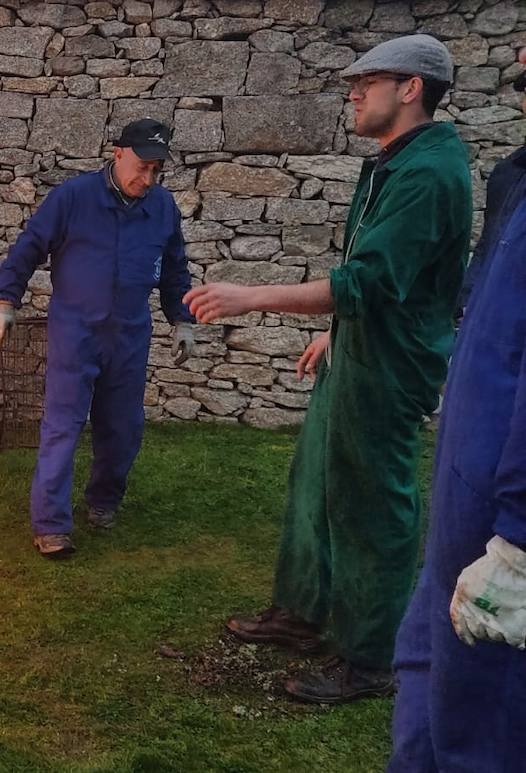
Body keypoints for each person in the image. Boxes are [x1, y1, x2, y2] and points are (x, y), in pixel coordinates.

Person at [183, 34, 471, 703]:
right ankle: (303, 612)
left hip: (391, 370)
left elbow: (367, 281)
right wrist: (335, 334)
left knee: (374, 506)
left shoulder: (428, 175)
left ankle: (371, 657)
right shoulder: (396, 162)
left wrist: (248, 296)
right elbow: (383, 281)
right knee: (314, 482)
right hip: (359, 351)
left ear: (411, 89)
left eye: (366, 81)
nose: (352, 92)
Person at [387, 46, 526, 773]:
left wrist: (518, 542)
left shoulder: (431, 172)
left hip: (505, 534)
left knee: (485, 730)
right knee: (425, 692)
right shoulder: (514, 180)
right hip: (462, 508)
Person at [0, 118, 196, 560]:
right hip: (76, 331)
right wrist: (5, 302)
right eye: (141, 166)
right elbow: (29, 247)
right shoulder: (73, 198)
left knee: (122, 428)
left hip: (130, 334)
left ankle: (103, 502)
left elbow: (175, 267)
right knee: (63, 426)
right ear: (117, 154)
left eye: (157, 170)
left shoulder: (163, 207)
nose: (147, 178)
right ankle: (52, 525)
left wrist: (183, 319)